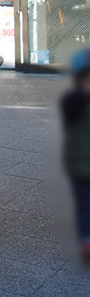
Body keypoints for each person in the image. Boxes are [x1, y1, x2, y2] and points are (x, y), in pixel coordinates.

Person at [60, 48, 90, 262]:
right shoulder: (73, 100)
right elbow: (68, 115)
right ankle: (86, 241)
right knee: (85, 204)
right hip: (81, 165)